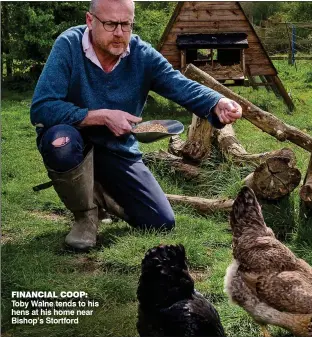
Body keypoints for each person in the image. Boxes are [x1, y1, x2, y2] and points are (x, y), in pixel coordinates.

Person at [30, 0, 242, 250]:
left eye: (126, 24)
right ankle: (86, 216)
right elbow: (42, 108)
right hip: (74, 140)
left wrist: (216, 101)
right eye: (110, 24)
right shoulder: (68, 46)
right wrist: (101, 116)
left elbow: (178, 83)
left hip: (116, 148)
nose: (119, 33)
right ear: (90, 21)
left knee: (159, 221)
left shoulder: (141, 54)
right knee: (61, 143)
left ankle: (98, 194)